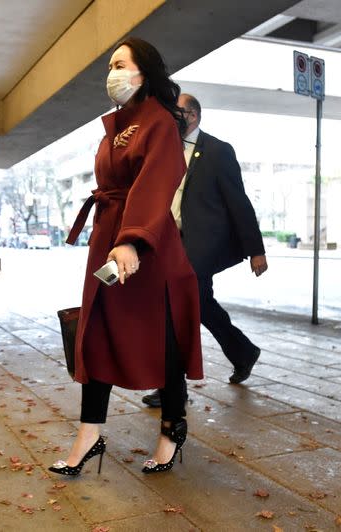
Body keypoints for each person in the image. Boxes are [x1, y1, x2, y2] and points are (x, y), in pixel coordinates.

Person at [49, 37, 203, 476]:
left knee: (164, 340)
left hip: (147, 248)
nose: (111, 74)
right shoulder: (117, 124)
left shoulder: (158, 122)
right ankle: (88, 434)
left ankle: (172, 429)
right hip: (109, 239)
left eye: (119, 63)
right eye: (109, 66)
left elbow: (157, 182)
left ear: (143, 72)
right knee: (94, 333)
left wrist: (133, 240)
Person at [142, 94, 268, 408]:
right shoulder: (163, 151)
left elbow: (238, 202)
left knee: (177, 311)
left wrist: (256, 250)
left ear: (193, 116)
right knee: (199, 306)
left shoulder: (218, 151)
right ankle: (242, 351)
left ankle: (171, 387)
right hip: (169, 244)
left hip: (200, 248)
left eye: (177, 113)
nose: (170, 119)